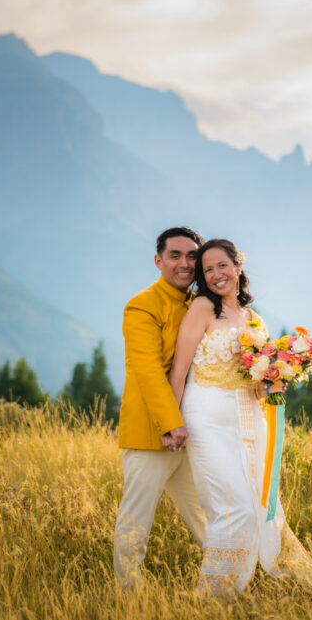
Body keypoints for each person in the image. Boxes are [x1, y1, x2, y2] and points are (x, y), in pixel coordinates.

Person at [168, 239, 312, 610]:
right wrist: (171, 422)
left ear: (239, 265)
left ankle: (239, 592)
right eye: (207, 270)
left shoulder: (254, 320)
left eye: (222, 265)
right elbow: (179, 369)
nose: (215, 275)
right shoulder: (202, 309)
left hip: (248, 416)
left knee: (259, 506)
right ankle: (210, 601)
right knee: (233, 507)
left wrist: (274, 378)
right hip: (205, 415)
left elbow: (255, 386)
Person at [113, 227, 208, 589]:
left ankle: (225, 585)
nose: (184, 264)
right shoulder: (142, 305)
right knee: (135, 522)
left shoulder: (199, 302)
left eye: (191, 256)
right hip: (153, 433)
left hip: (192, 433)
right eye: (175, 255)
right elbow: (148, 371)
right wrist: (170, 424)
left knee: (207, 518)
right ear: (158, 261)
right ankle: (130, 598)